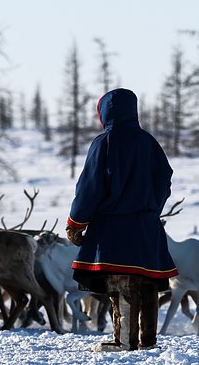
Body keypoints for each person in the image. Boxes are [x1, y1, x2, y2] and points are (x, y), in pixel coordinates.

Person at [66, 88, 178, 352]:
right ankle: (147, 340)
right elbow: (164, 178)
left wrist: (76, 223)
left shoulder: (104, 142)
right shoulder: (149, 142)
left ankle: (124, 340)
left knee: (121, 281)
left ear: (104, 112)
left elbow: (90, 187)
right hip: (148, 227)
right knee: (146, 281)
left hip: (114, 229)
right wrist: (152, 208)